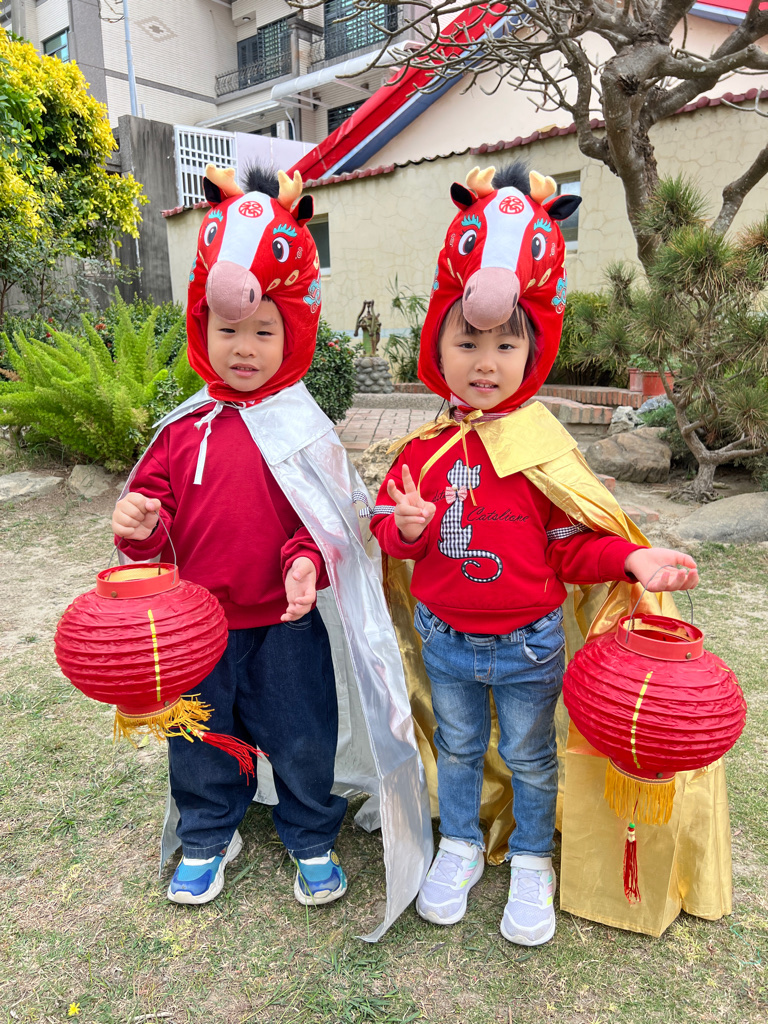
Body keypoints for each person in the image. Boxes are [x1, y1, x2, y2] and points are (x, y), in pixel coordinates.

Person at [368, 162, 698, 947]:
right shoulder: (421, 450)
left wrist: (629, 561)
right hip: (446, 640)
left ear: (532, 351)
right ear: (437, 346)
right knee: (456, 747)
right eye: (467, 341)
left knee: (528, 752)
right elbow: (389, 536)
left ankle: (529, 858)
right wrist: (407, 527)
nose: (485, 361)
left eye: (505, 344)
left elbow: (571, 544)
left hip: (529, 644)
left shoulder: (545, 446)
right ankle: (457, 845)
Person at [111, 164, 433, 924]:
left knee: (301, 733)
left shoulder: (304, 428)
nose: (245, 347)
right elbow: (154, 527)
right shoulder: (182, 431)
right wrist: (140, 527)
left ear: (292, 335)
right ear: (202, 329)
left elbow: (327, 523)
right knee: (200, 734)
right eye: (228, 331)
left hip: (286, 628)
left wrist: (305, 563)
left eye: (263, 331)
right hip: (198, 629)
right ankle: (207, 833)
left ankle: (310, 832)